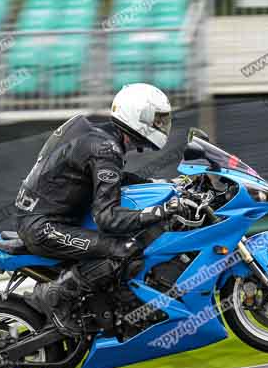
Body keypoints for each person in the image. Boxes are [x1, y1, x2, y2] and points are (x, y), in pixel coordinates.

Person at [16, 83, 180, 336]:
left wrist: (162, 185)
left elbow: (112, 179)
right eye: (156, 119)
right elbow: (108, 218)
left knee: (125, 243)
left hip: (48, 219)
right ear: (136, 115)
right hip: (44, 228)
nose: (161, 125)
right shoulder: (105, 149)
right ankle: (54, 296)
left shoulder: (100, 139)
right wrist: (160, 211)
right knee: (125, 250)